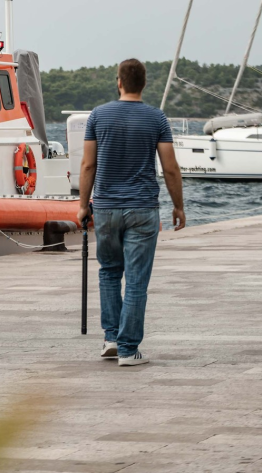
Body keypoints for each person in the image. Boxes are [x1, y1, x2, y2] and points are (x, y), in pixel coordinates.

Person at [76, 59, 185, 367]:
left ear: (119, 82)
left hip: (107, 207)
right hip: (142, 208)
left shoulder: (98, 115)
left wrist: (84, 205)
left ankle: (111, 339)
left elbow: (88, 165)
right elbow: (170, 168)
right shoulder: (157, 118)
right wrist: (178, 205)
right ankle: (127, 349)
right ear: (144, 84)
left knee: (109, 272)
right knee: (136, 280)